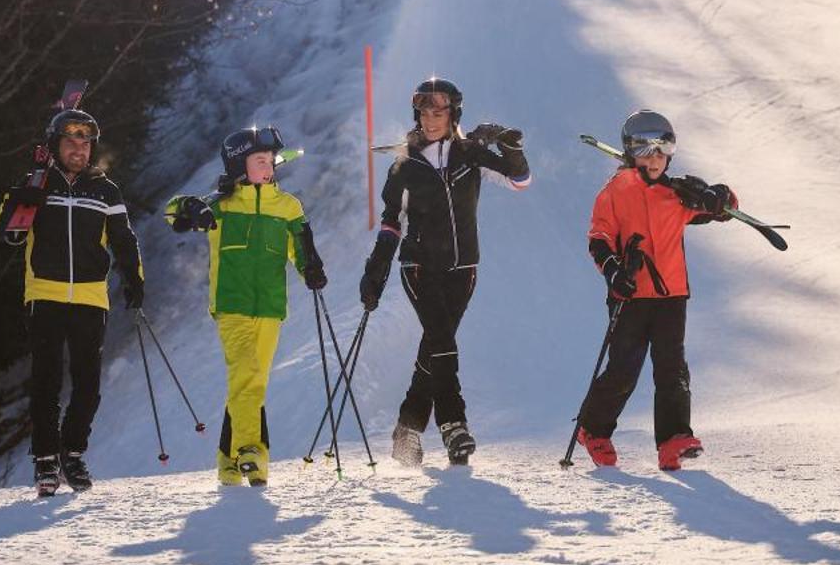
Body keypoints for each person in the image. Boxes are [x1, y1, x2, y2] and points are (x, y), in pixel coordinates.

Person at [359, 77, 531, 467]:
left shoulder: (470, 154)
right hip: (419, 265)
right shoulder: (405, 164)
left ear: (453, 113)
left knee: (434, 348)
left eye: (439, 112)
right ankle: (454, 426)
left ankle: (407, 429)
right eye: (424, 112)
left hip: (463, 268)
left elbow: (519, 181)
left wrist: (509, 148)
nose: (431, 119)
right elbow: (390, 222)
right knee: (443, 344)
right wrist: (376, 269)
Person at [0, 107, 145, 496]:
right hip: (45, 293)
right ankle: (45, 461)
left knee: (88, 385)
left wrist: (134, 279)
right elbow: (3, 234)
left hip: (91, 297)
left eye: (85, 142)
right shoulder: (37, 183)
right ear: (56, 145)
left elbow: (124, 240)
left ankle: (72, 453)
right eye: (71, 141)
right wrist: (21, 202)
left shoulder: (106, 191)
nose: (79, 148)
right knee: (46, 382)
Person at [573, 108, 737, 471]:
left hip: (671, 296)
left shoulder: (678, 195)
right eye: (646, 152)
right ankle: (593, 429)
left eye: (661, 151)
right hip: (630, 296)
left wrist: (717, 196)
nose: (655, 159)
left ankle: (673, 440)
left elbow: (722, 209)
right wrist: (614, 271)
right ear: (631, 153)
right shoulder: (615, 191)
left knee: (672, 369)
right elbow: (598, 238)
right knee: (624, 370)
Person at [165, 124, 326, 487]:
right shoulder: (220, 207)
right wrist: (191, 206)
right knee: (247, 378)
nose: (269, 166)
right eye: (260, 160)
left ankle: (227, 463)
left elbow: (301, 250)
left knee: (248, 385)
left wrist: (310, 268)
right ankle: (253, 453)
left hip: (270, 308)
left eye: (270, 160)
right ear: (239, 166)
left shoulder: (288, 207)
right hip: (232, 306)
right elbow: (173, 215)